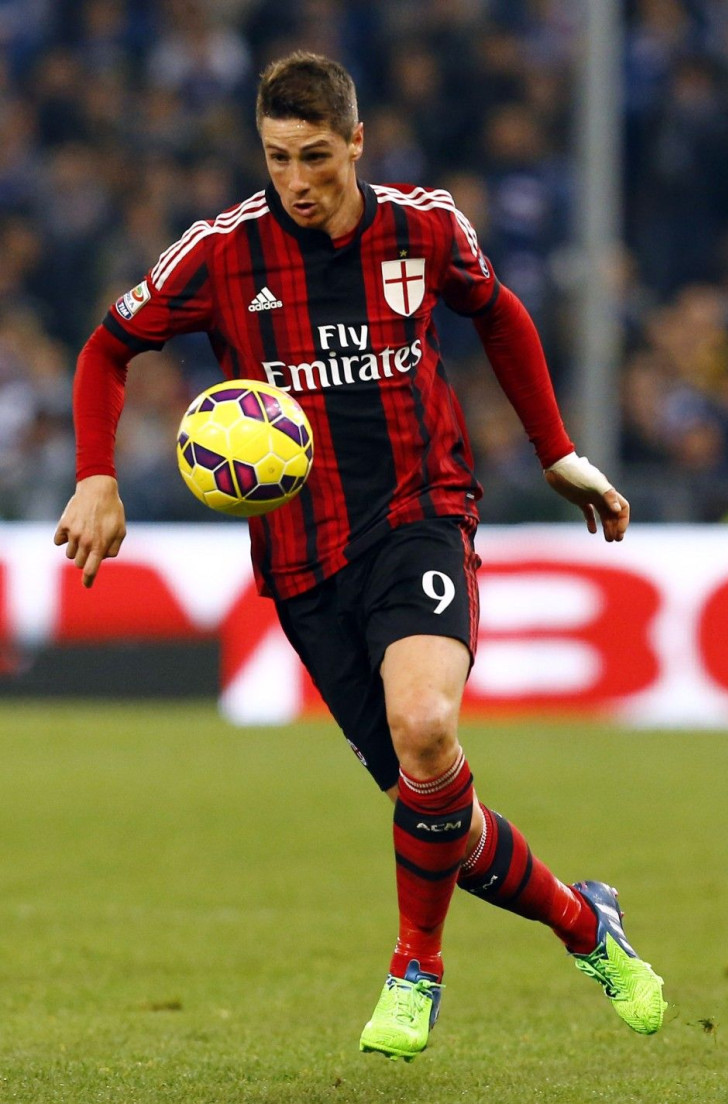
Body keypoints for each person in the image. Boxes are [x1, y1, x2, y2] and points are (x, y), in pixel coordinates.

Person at [54, 52, 666, 1061]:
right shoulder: (222, 253)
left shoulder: (423, 227)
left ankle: (414, 968)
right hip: (301, 564)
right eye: (277, 158)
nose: (296, 180)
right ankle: (584, 922)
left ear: (356, 144)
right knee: (437, 813)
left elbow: (499, 313)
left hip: (420, 514)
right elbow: (106, 348)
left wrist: (556, 451)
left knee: (425, 726)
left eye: (316, 157)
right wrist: (95, 476)